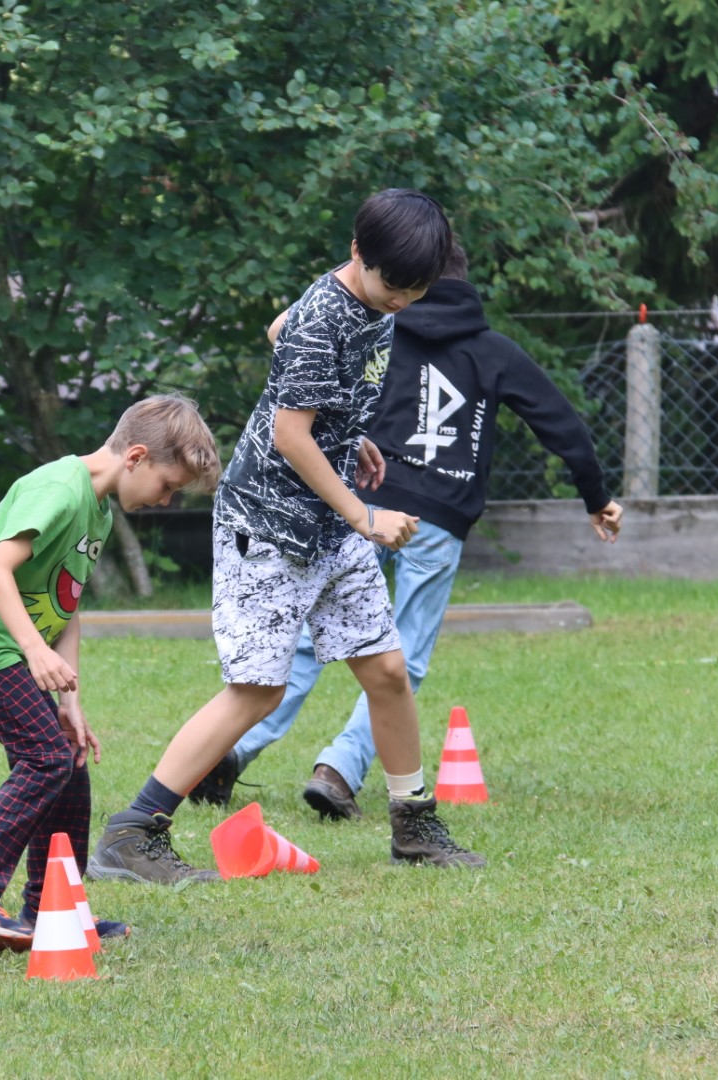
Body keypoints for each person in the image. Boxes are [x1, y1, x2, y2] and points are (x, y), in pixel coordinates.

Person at [89, 189, 485, 886]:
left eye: (416, 291)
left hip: (326, 521)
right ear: (359, 254)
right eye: (393, 286)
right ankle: (133, 832)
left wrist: (346, 430)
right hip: (268, 525)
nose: (402, 301)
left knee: (387, 670)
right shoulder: (324, 314)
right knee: (257, 691)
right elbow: (288, 433)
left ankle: (413, 825)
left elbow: (279, 331)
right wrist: (365, 515)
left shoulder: (366, 299)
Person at [190, 242, 624, 819]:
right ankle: (339, 769)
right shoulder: (492, 350)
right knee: (405, 655)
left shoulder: (377, 325)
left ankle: (233, 749)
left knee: (305, 641)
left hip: (362, 502)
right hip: (438, 516)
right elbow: (558, 421)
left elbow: (290, 343)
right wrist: (596, 496)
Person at [0, 394, 221, 950]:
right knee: (44, 758)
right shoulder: (60, 489)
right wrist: (34, 651)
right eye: (167, 485)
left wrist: (69, 701)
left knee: (69, 763)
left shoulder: (97, 509)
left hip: (12, 645)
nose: (166, 500)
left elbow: (67, 601)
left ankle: (53, 913)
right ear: (135, 457)